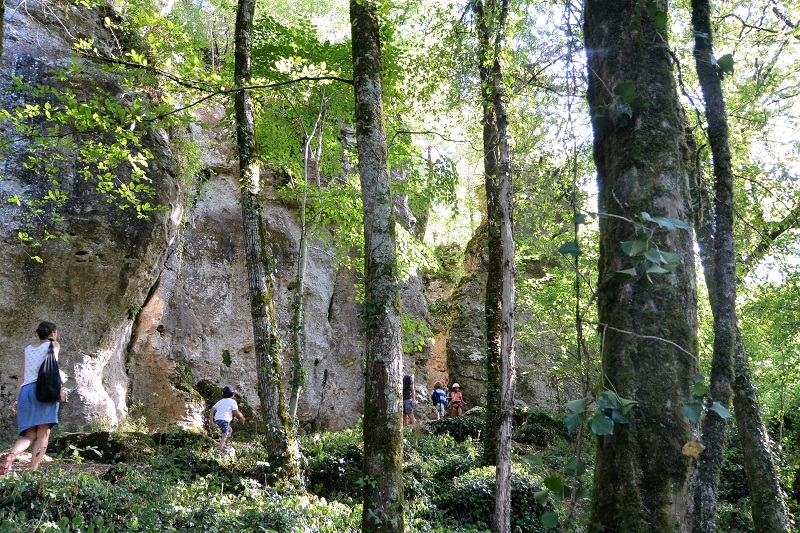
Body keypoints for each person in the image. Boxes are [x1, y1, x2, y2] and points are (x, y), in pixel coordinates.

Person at [1, 321, 64, 474]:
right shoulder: (53, 345)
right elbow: (52, 370)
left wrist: (17, 399)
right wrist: (59, 391)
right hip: (43, 390)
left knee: (29, 435)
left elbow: (21, 375)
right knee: (43, 433)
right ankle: (32, 471)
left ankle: (10, 456)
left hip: (25, 392)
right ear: (53, 334)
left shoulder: (28, 349)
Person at [209, 385, 245, 452]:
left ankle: (223, 444)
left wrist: (211, 421)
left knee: (230, 430)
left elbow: (212, 410)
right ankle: (219, 450)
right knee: (224, 436)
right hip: (225, 421)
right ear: (232, 394)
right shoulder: (232, 401)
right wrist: (242, 418)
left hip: (217, 420)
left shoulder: (220, 401)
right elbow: (237, 412)